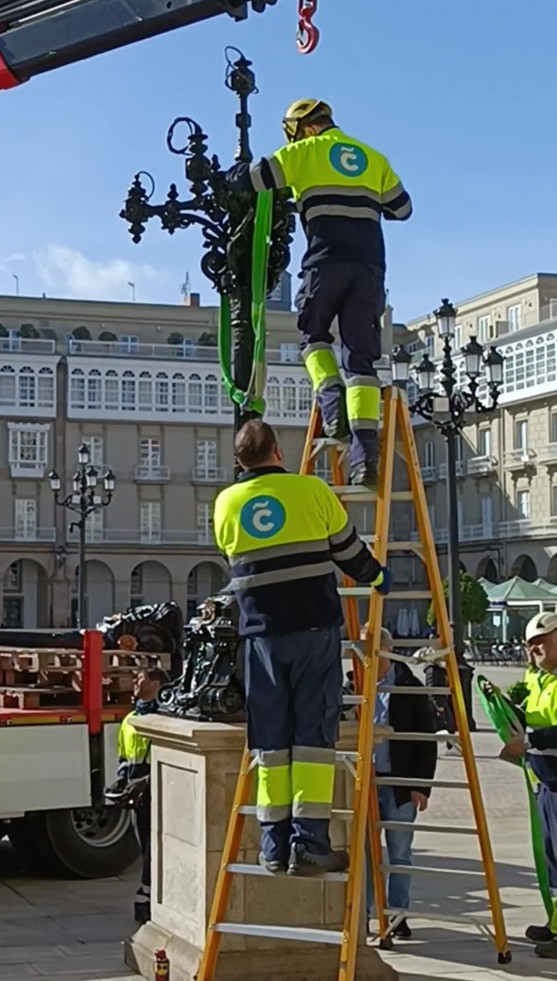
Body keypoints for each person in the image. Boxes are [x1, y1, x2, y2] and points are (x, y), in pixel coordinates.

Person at [213, 419, 390, 876]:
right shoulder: (312, 492)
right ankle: (310, 843)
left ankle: (273, 847)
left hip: (260, 638)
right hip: (313, 630)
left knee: (271, 743)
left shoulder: (225, 504)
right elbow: (349, 553)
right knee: (312, 736)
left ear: (240, 461)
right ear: (277, 452)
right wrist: (377, 577)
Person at [228, 99, 412, 486]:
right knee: (362, 364)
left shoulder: (303, 152)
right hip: (369, 270)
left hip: (324, 264)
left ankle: (333, 410)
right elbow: (402, 208)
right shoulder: (372, 157)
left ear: (305, 129)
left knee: (314, 337)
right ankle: (365, 461)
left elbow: (252, 178)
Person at [361, 627, 437, 938]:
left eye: (368, 649)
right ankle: (364, 914)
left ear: (384, 650)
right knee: (365, 853)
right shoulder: (355, 682)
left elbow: (426, 740)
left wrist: (421, 785)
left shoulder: (410, 687)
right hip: (366, 783)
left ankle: (396, 915)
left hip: (400, 781)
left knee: (399, 851)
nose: (364, 655)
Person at [501, 612, 557, 956]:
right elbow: (530, 719)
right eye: (530, 644)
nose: (534, 649)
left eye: (542, 641)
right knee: (553, 859)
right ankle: (555, 924)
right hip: (548, 784)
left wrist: (531, 740)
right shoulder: (540, 680)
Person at [106, 668, 166, 923]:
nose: (135, 684)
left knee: (155, 849)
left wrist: (147, 781)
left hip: (156, 790)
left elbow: (170, 760)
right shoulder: (130, 718)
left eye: (140, 680)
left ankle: (148, 897)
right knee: (144, 848)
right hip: (136, 789)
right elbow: (124, 755)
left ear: (156, 684)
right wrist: (122, 777)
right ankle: (147, 894)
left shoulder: (164, 717)